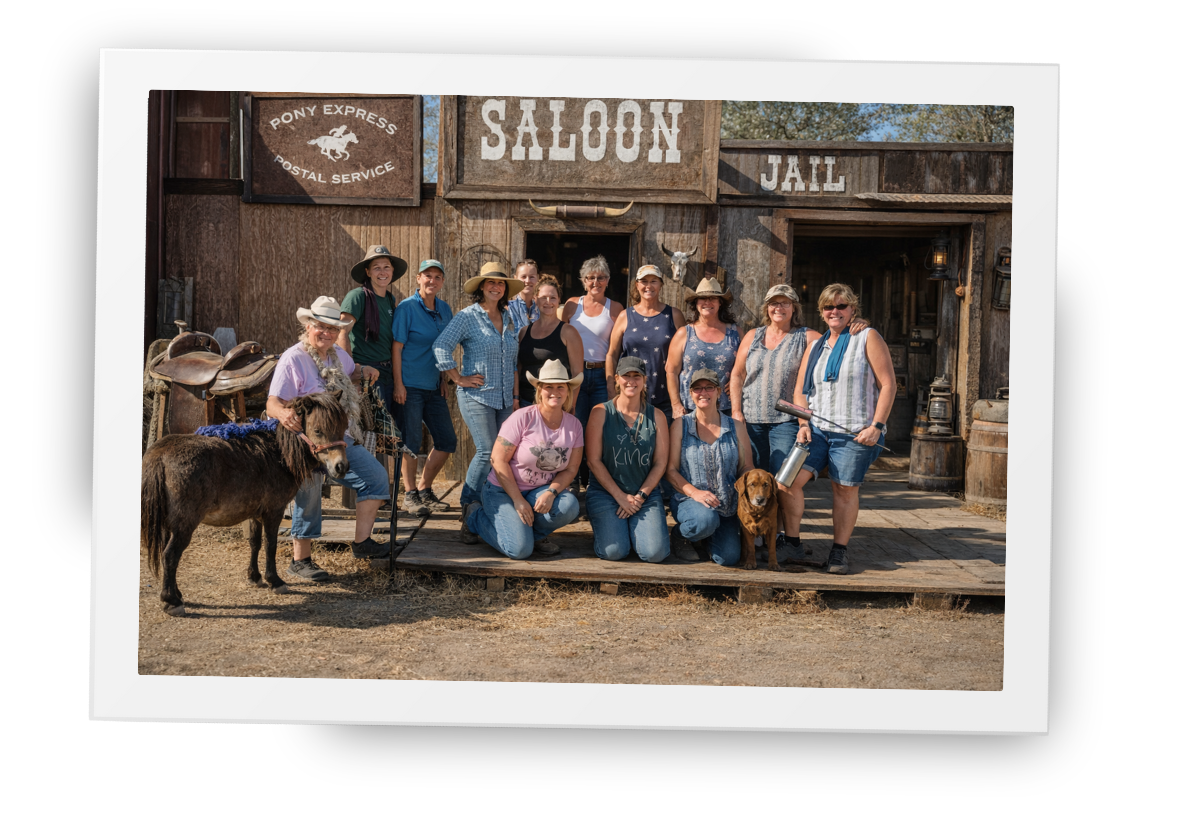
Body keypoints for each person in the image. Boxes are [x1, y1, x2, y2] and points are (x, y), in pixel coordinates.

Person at [729, 284, 868, 563]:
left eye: (785, 303)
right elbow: (737, 375)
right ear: (766, 308)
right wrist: (736, 412)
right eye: (773, 303)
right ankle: (750, 537)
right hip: (750, 421)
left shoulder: (807, 337)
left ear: (795, 308)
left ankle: (779, 540)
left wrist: (859, 324)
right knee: (751, 481)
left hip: (787, 422)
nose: (778, 308)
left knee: (780, 483)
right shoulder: (753, 336)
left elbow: (837, 336)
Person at [266, 296, 393, 582]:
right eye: (321, 327)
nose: (326, 333)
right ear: (308, 326)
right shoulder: (294, 358)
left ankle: (362, 543)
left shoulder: (337, 355)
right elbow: (272, 403)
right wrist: (284, 415)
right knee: (309, 488)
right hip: (305, 441)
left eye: (332, 329)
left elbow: (351, 370)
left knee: (376, 477)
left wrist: (365, 370)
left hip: (338, 439)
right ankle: (301, 560)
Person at [790, 283, 896, 575]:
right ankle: (792, 542)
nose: (834, 311)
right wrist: (802, 423)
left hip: (854, 431)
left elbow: (888, 384)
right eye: (828, 307)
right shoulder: (815, 346)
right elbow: (800, 391)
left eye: (841, 306)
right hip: (817, 429)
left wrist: (877, 426)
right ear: (822, 312)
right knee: (788, 481)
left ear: (852, 310)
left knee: (844, 489)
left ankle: (839, 551)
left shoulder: (867, 337)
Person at [461, 359, 583, 559]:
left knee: (569, 506)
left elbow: (571, 469)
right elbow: (497, 460)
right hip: (503, 491)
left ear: (568, 390)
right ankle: (474, 516)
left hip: (539, 491)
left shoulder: (574, 425)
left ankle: (532, 534)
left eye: (560, 386)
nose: (555, 392)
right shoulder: (522, 418)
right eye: (548, 386)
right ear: (539, 390)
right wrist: (517, 500)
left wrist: (552, 492)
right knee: (519, 550)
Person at [432, 262, 524, 510]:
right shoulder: (467, 316)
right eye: (491, 282)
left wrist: (515, 396)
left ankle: (492, 503)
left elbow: (513, 361)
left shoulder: (509, 317)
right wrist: (457, 378)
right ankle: (468, 505)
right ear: (482, 287)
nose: (496, 287)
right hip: (477, 396)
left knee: (504, 454)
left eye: (501, 283)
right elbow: (441, 346)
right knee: (486, 452)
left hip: (505, 399)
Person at [585, 356, 671, 562]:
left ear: (644, 380)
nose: (631, 381)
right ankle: (615, 531)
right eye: (626, 376)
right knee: (614, 552)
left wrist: (640, 496)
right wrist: (620, 497)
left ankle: (635, 530)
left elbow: (660, 463)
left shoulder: (657, 415)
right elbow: (593, 460)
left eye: (637, 376)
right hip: (606, 493)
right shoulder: (600, 412)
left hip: (645, 494)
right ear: (616, 379)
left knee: (654, 553)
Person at [665, 368, 754, 564]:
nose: (703, 393)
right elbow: (670, 470)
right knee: (704, 520)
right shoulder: (680, 425)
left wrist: (752, 486)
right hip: (689, 500)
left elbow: (746, 467)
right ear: (690, 393)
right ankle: (681, 535)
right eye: (697, 389)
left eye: (709, 388)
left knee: (729, 557)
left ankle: (705, 538)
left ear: (719, 392)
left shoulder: (736, 427)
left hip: (727, 504)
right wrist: (694, 493)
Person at [391, 260, 457, 517]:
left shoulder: (444, 309)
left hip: (433, 385)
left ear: (442, 281)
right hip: (409, 384)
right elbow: (397, 348)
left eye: (437, 276)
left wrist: (443, 379)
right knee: (412, 441)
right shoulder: (407, 308)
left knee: (447, 440)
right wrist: (399, 384)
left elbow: (445, 347)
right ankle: (409, 495)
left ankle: (424, 489)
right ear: (418, 278)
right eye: (427, 275)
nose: (432, 280)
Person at [561, 255, 624, 503]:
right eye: (590, 277)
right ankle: (572, 480)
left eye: (600, 277)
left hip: (601, 374)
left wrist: (613, 382)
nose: (595, 282)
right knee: (574, 427)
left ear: (607, 280)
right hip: (575, 374)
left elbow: (618, 348)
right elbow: (559, 338)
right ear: (583, 280)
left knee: (599, 431)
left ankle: (597, 484)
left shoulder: (615, 308)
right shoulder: (570, 305)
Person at [336, 244, 407, 434]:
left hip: (387, 374)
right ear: (367, 272)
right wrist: (351, 374)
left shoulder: (390, 300)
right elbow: (341, 333)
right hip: (367, 373)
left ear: (392, 271)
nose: (382, 272)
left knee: (388, 435)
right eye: (376, 267)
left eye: (386, 267)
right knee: (369, 433)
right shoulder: (357, 297)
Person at [605, 264, 683, 419]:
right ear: (637, 285)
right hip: (630, 396)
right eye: (644, 281)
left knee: (663, 442)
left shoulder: (674, 315)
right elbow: (612, 355)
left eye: (654, 281)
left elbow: (685, 354)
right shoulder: (625, 316)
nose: (648, 286)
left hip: (665, 397)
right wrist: (611, 390)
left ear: (661, 284)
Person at [665, 277, 744, 419]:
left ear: (720, 303)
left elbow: (748, 366)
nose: (707, 302)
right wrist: (676, 405)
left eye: (713, 298)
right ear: (696, 303)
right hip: (690, 409)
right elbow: (671, 371)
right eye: (702, 298)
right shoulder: (684, 333)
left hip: (727, 409)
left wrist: (738, 381)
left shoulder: (736, 333)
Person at [516, 275, 584, 410]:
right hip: (525, 402)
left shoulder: (568, 332)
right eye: (543, 298)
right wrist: (516, 398)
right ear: (535, 299)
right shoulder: (524, 332)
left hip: (556, 404)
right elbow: (518, 368)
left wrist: (571, 406)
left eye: (553, 297)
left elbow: (577, 373)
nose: (548, 302)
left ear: (559, 300)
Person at [507, 259, 543, 330]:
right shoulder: (508, 308)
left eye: (532, 277)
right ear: (515, 278)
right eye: (523, 277)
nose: (528, 281)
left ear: (538, 278)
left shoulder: (543, 307)